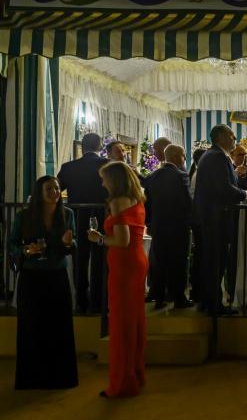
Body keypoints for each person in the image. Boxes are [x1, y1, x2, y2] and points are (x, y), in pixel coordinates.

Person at [9, 176, 78, 390]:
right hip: (32, 277)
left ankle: (60, 378)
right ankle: (33, 378)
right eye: (50, 188)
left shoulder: (67, 215)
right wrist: (25, 251)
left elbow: (72, 246)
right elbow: (12, 244)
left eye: (57, 188)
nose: (55, 192)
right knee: (32, 327)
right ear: (39, 192)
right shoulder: (24, 216)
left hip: (56, 275)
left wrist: (70, 242)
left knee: (59, 327)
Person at [87, 162, 148, 398]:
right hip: (137, 260)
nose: (102, 183)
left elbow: (121, 240)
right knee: (134, 320)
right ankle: (135, 373)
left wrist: (99, 239)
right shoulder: (138, 199)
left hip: (125, 265)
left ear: (114, 180)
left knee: (121, 323)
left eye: (104, 179)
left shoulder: (117, 202)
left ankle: (123, 382)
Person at [194, 125, 247, 314]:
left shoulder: (213, 156)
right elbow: (224, 189)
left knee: (213, 262)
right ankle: (213, 306)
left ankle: (209, 302)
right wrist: (246, 194)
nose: (235, 138)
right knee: (216, 262)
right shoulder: (216, 157)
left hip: (212, 217)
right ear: (222, 137)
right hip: (215, 218)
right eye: (232, 135)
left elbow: (229, 184)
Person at [57, 132, 109, 313]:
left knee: (80, 258)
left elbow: (56, 190)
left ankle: (80, 300)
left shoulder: (69, 167)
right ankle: (97, 300)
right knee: (99, 260)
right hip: (102, 217)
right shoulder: (107, 165)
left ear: (82, 147)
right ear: (100, 146)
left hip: (77, 216)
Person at [144, 144, 192, 310]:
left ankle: (158, 298)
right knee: (178, 262)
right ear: (177, 156)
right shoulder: (181, 176)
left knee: (159, 262)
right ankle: (178, 298)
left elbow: (147, 205)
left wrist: (149, 224)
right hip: (178, 226)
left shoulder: (151, 177)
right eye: (184, 155)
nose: (184, 159)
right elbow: (187, 202)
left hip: (158, 226)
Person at [188, 147, 207, 302]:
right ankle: (198, 290)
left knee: (200, 254)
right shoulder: (200, 173)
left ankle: (197, 289)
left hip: (197, 219)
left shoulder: (196, 173)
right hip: (201, 219)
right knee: (201, 254)